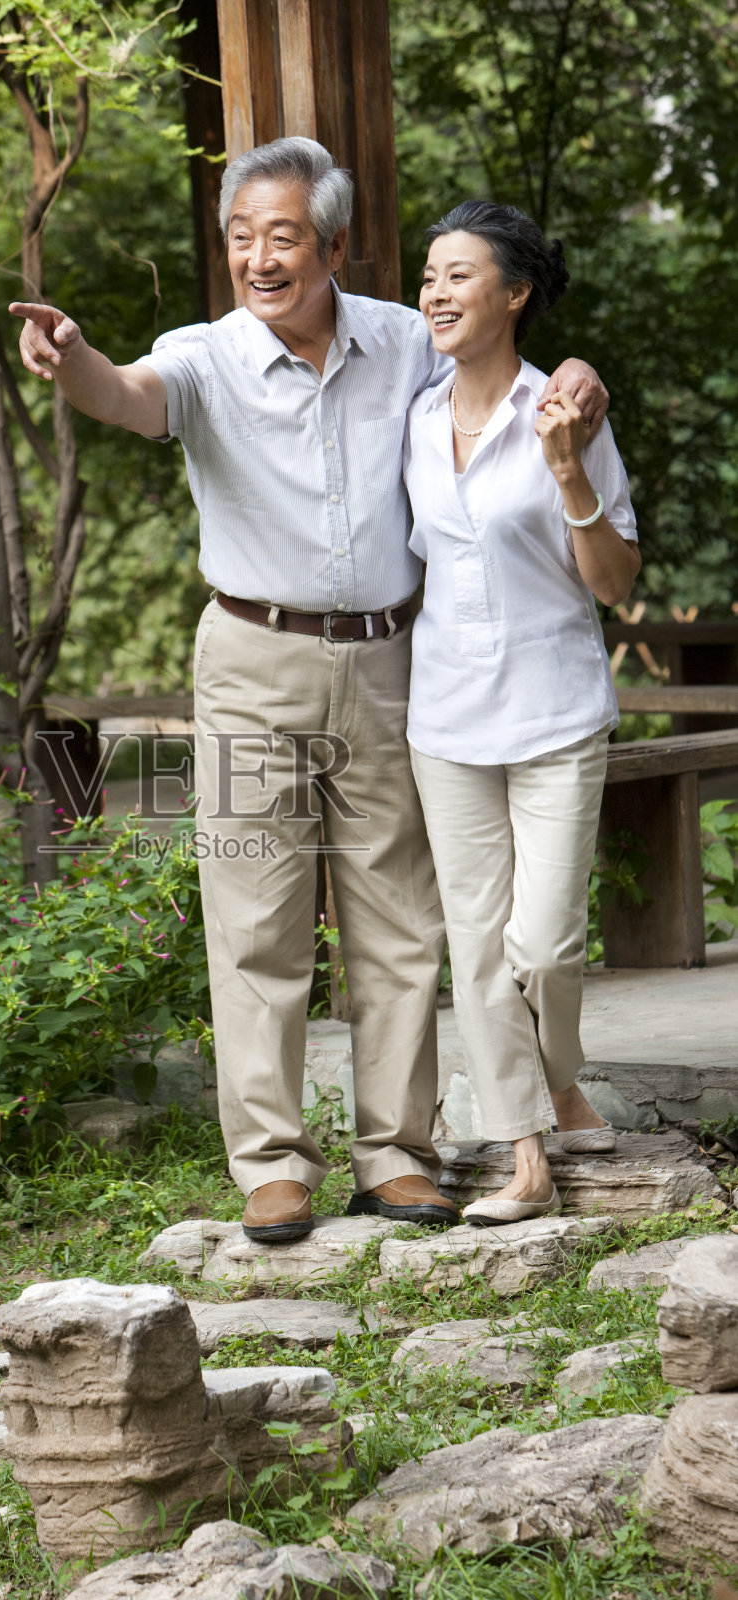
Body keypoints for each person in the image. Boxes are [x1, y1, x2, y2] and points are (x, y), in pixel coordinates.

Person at [10, 139, 608, 1242]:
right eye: (240, 238)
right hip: (246, 662)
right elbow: (128, 395)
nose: (258, 258)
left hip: (393, 661)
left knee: (397, 919)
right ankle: (272, 1161)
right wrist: (75, 356)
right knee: (254, 915)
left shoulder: (399, 337)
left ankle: (395, 1152)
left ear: (331, 245)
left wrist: (577, 374)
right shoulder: (202, 356)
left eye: (282, 236)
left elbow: (503, 381)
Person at [404, 200, 640, 1225]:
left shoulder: (567, 412)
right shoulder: (410, 416)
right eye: (426, 275)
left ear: (514, 294)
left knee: (541, 945)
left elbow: (616, 583)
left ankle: (559, 1079)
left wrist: (565, 468)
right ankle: (524, 1156)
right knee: (476, 944)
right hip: (444, 717)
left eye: (458, 275)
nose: (434, 292)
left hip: (551, 710)